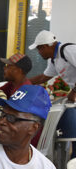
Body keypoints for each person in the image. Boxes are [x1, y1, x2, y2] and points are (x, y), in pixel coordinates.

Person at [28, 30, 76, 158]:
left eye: (39, 49)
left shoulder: (67, 50)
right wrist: (23, 82)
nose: (39, 52)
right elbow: (43, 78)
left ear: (45, 46)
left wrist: (74, 91)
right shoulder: (54, 60)